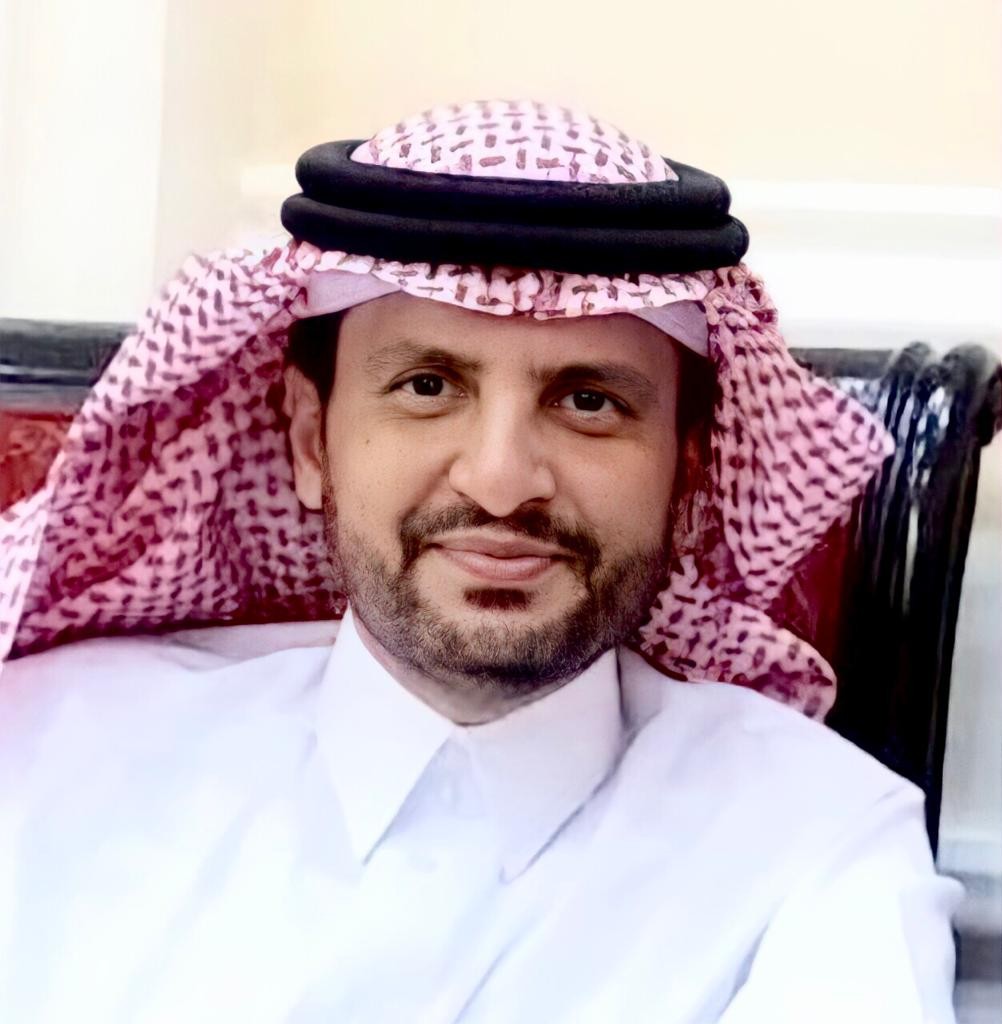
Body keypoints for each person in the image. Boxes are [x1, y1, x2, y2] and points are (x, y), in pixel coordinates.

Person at [0, 100, 960, 1022]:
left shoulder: (815, 852)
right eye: (428, 386)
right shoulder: (49, 749)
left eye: (589, 402)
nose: (501, 482)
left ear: (689, 471)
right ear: (308, 439)